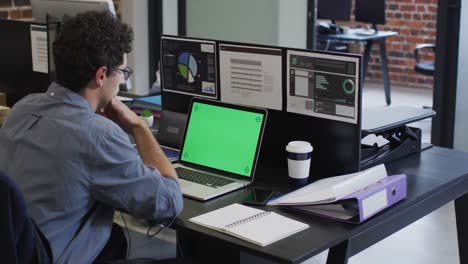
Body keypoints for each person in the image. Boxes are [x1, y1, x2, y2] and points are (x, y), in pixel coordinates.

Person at [0, 11, 183, 264]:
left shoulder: (22, 108)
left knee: (114, 237)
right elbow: (170, 202)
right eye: (122, 72)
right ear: (100, 76)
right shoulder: (98, 135)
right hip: (51, 255)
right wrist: (139, 127)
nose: (122, 81)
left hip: (21, 248)